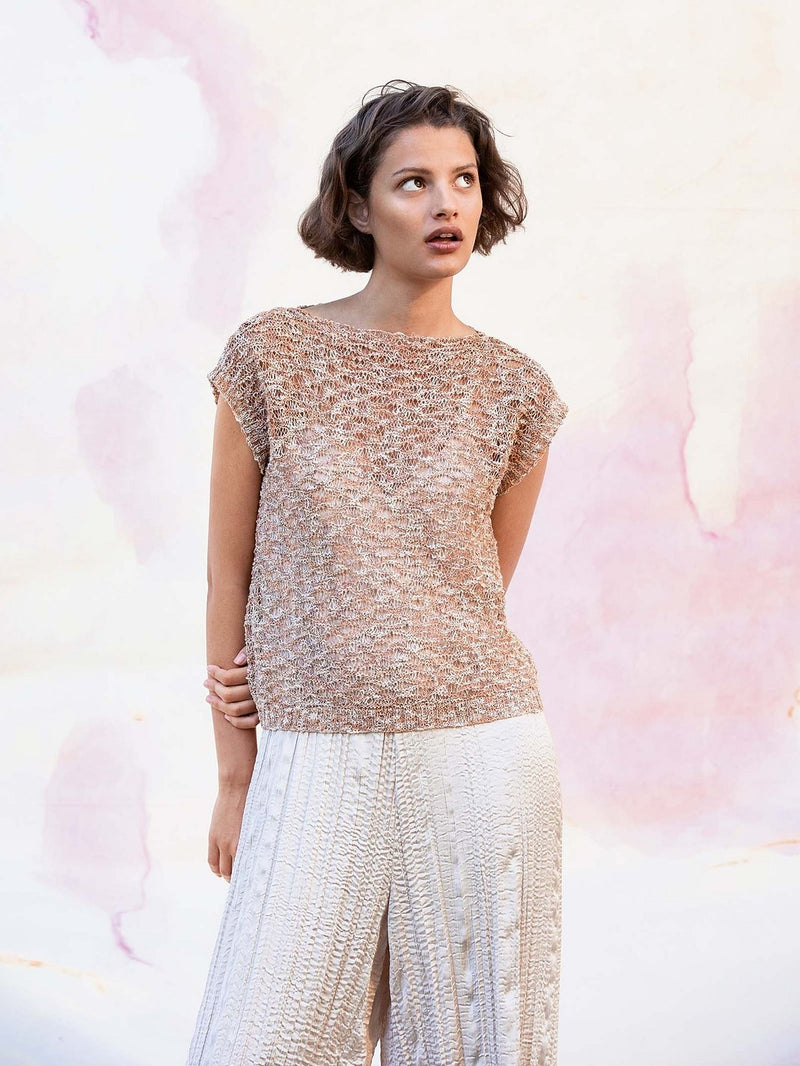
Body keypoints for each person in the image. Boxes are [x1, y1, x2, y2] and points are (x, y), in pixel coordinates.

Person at [185, 79, 569, 1066]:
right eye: (413, 182)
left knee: (474, 1048)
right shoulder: (273, 355)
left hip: (483, 747)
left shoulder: (516, 390)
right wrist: (235, 773)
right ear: (357, 206)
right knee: (260, 1042)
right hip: (312, 747)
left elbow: (476, 588)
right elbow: (227, 574)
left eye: (464, 180)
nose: (446, 205)